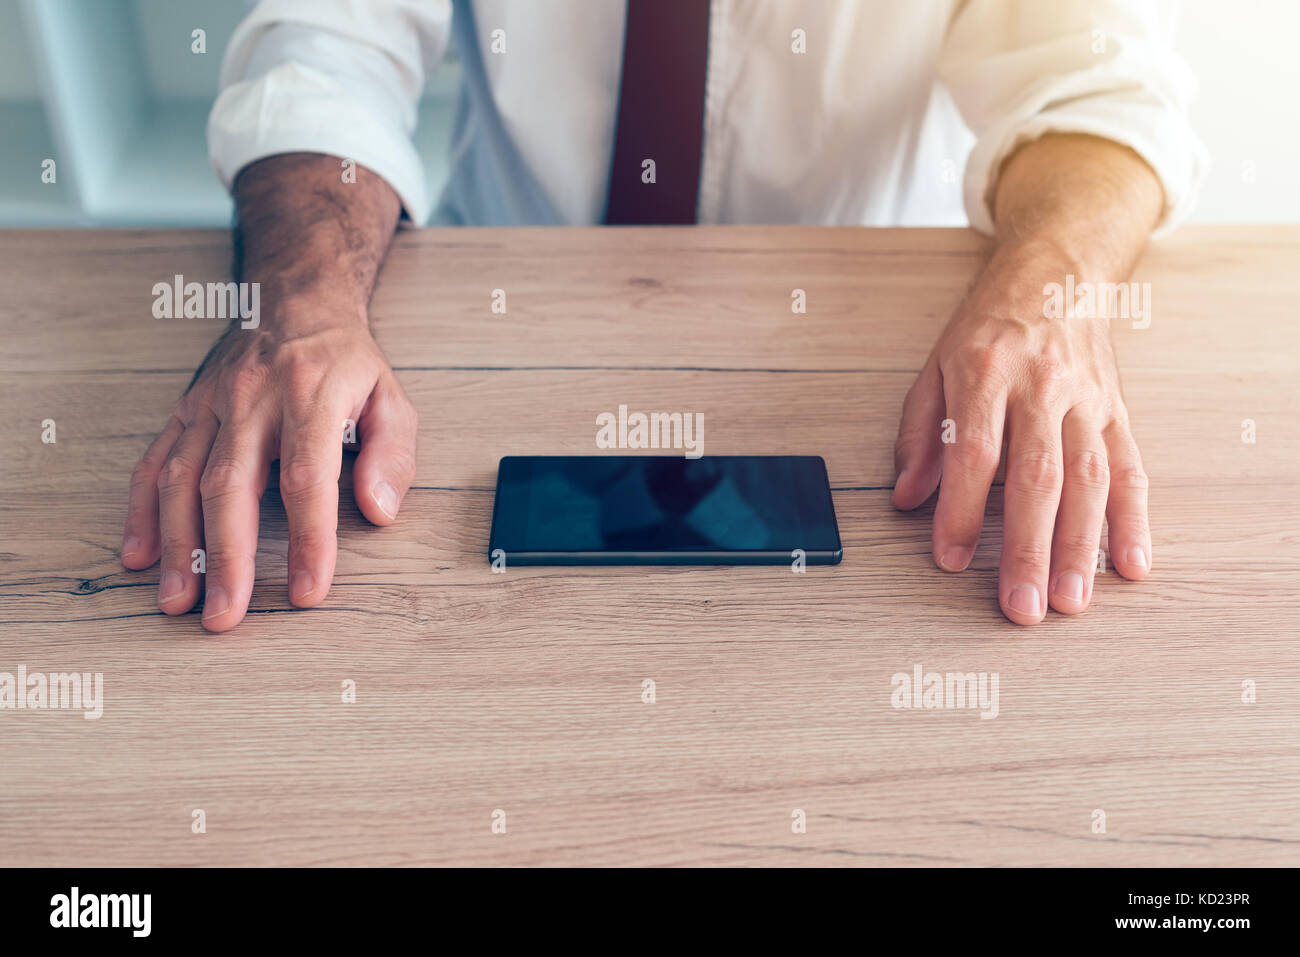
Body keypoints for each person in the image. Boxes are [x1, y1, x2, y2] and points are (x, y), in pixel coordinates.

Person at [120, 0, 1207, 631]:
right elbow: (324, 47)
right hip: (486, 312)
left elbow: (1100, 80)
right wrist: (301, 294)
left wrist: (1047, 286)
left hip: (867, 342)